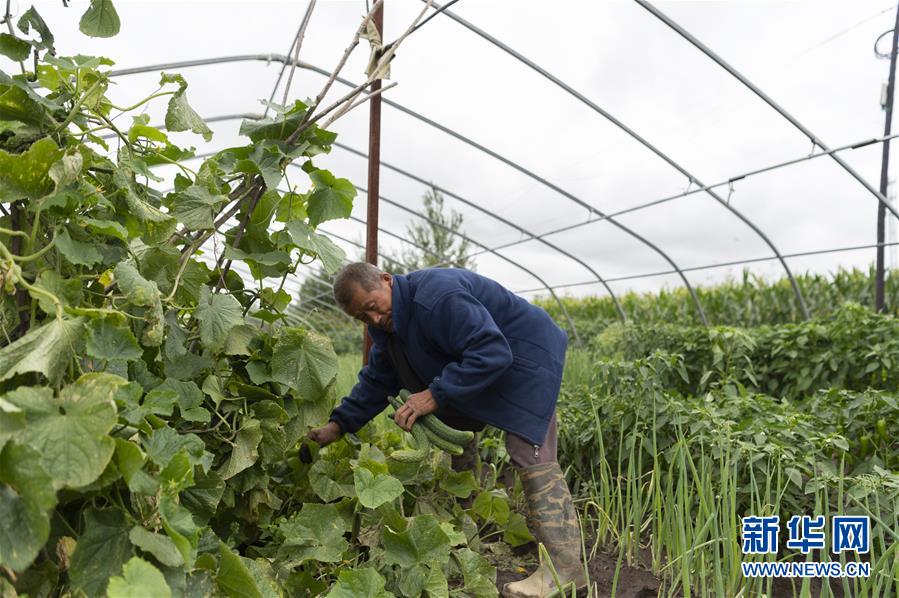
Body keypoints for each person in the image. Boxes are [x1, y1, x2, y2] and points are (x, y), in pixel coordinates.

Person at [308, 263, 586, 597]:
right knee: (452, 422)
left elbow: (492, 350)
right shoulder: (389, 325)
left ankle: (565, 572)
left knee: (529, 451)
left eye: (372, 307)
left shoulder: (436, 297)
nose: (374, 321)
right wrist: (337, 425)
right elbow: (378, 380)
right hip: (490, 359)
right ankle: (464, 529)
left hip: (526, 356)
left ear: (386, 280)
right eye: (362, 319)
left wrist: (435, 394)